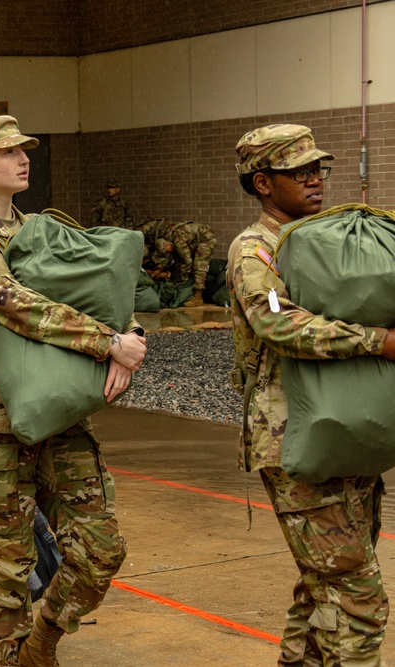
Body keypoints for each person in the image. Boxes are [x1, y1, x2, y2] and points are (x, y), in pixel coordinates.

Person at [0, 116, 146, 667]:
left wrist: (130, 336)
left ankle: (41, 644)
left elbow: (99, 287)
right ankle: (11, 658)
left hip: (58, 412)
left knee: (101, 550)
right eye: (7, 151)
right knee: (8, 563)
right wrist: (107, 343)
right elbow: (10, 301)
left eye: (24, 149)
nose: (23, 157)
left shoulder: (41, 230)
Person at [229, 124, 395, 666]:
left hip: (348, 431)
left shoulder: (333, 243)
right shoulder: (255, 249)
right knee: (358, 599)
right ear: (262, 184)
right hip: (294, 439)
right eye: (297, 172)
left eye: (316, 168)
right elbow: (278, 323)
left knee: (321, 587)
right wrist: (378, 340)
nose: (314, 180)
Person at [137, 218, 215, 307]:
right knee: (179, 261)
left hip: (206, 238)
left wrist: (183, 279)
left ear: (167, 244)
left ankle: (198, 296)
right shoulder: (166, 237)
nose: (169, 252)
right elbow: (166, 257)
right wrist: (159, 269)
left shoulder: (178, 241)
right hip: (192, 238)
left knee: (199, 265)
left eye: (168, 250)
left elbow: (187, 261)